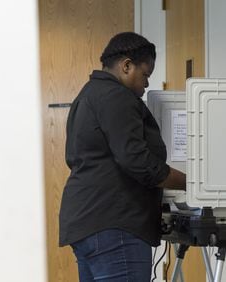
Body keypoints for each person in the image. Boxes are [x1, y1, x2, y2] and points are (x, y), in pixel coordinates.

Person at [58, 32, 186, 282]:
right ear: (127, 65)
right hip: (115, 227)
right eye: (145, 75)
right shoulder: (117, 96)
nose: (147, 84)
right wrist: (192, 183)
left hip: (87, 222)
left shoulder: (89, 94)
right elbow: (139, 163)